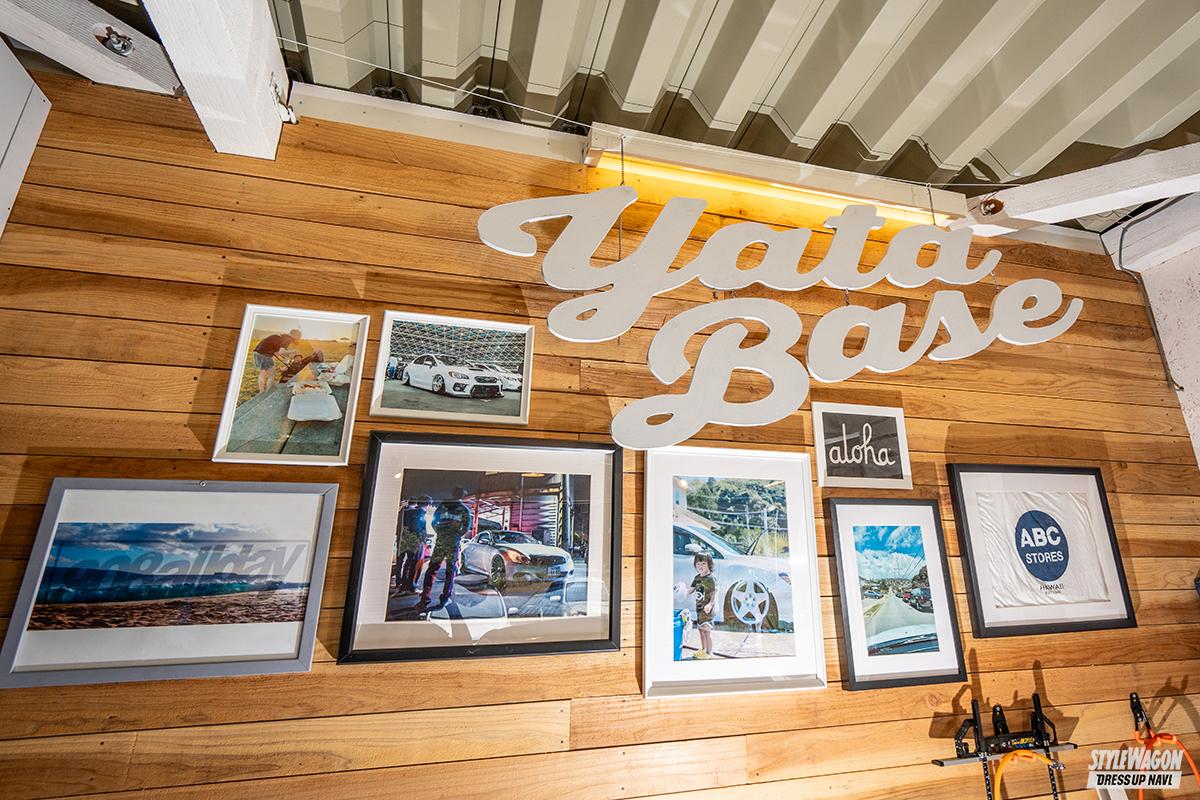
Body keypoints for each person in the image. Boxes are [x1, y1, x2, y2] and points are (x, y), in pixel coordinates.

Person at [419, 486, 473, 606]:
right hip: (453, 543)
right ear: (462, 496)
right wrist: (456, 535)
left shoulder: (443, 506)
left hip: (441, 542)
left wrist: (440, 533)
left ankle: (425, 597)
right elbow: (466, 527)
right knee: (450, 570)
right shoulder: (464, 510)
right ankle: (445, 598)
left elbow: (433, 522)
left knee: (432, 569)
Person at [393, 495, 433, 593]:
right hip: (415, 541)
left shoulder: (407, 512)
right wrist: (422, 539)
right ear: (427, 504)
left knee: (406, 562)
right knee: (414, 564)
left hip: (404, 540)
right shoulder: (420, 513)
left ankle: (403, 583)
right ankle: (411, 585)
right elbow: (418, 529)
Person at [253, 327, 303, 394]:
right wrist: (293, 351)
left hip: (257, 352)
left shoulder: (282, 337)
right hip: (264, 354)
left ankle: (262, 391)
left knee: (263, 372)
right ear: (295, 336)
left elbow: (278, 352)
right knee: (271, 374)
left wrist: (286, 356)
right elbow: (281, 352)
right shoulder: (288, 339)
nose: (298, 339)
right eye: (299, 337)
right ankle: (268, 391)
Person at [689, 552, 716, 659]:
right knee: (701, 631)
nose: (700, 566)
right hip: (699, 610)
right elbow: (690, 590)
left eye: (703, 563)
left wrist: (710, 604)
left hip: (707, 611)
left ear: (709, 564)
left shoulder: (710, 579)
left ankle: (710, 653)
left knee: (707, 632)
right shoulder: (697, 578)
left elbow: (714, 595)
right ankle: (703, 650)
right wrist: (680, 591)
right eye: (698, 564)